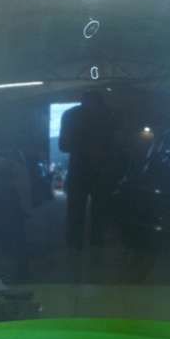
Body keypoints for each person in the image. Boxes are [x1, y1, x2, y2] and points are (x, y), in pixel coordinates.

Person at [58, 91, 113, 249]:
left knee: (76, 210)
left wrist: (82, 147)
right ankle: (96, 242)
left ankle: (75, 244)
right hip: (100, 170)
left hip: (79, 169)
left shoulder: (70, 115)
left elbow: (63, 145)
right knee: (99, 210)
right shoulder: (108, 115)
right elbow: (117, 145)